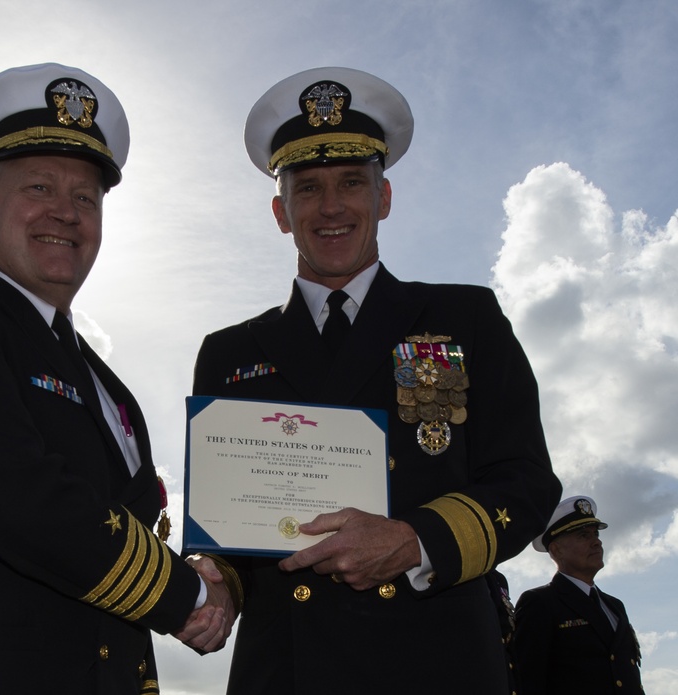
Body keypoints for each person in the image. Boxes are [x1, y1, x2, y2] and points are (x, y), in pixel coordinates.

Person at [0, 63, 232, 695]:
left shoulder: (110, 390)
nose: (65, 213)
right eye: (38, 188)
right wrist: (188, 592)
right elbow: (10, 497)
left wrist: (223, 573)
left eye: (85, 197)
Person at [190, 66, 562, 693]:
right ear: (282, 213)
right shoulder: (228, 352)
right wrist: (221, 580)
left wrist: (416, 539)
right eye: (307, 189)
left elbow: (525, 482)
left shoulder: (465, 318)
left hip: (435, 660)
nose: (331, 207)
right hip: (287, 668)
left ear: (383, 198)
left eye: (351, 184)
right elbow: (235, 525)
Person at [514, 496, 644, 694]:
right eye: (584, 535)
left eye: (596, 534)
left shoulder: (615, 606)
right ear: (557, 551)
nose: (596, 542)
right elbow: (528, 680)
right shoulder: (540, 603)